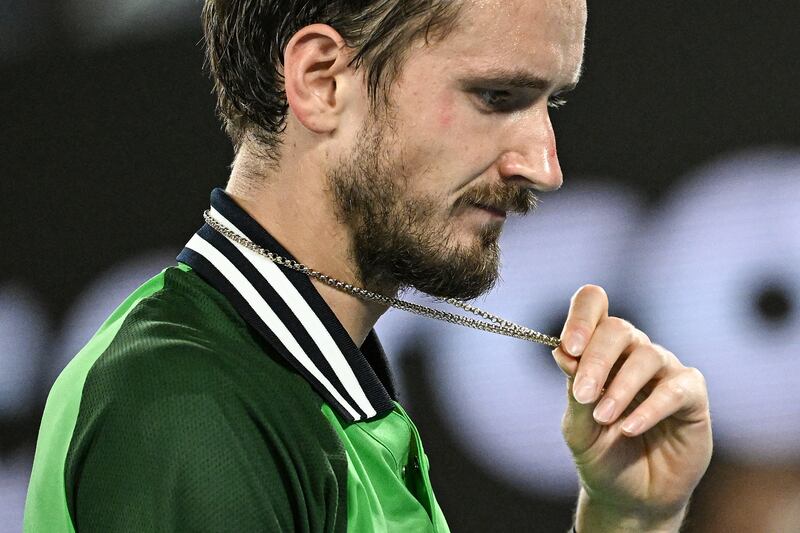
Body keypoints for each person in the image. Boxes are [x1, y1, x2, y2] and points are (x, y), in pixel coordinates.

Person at [24, 0, 713, 531]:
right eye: (497, 97)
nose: (544, 165)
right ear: (322, 81)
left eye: (549, 102)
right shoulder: (187, 412)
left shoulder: (292, 385)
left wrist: (628, 515)